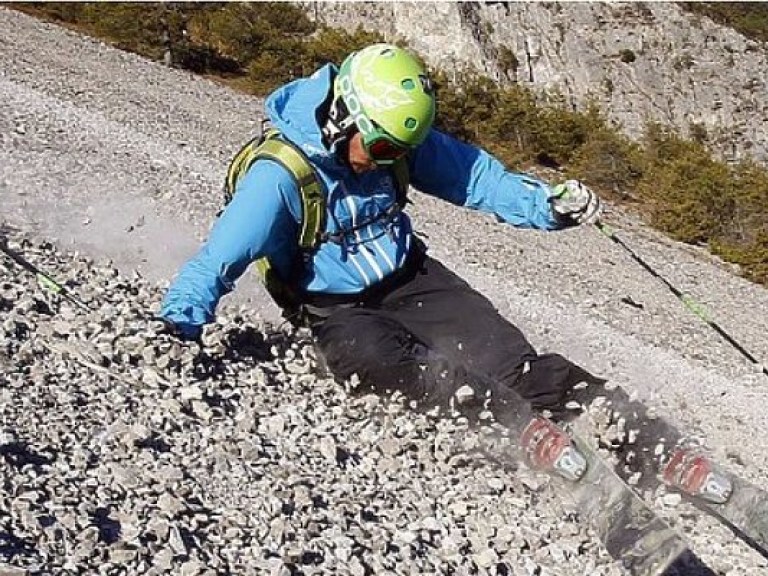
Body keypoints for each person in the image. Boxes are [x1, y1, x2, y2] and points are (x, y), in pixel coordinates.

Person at [159, 43, 603, 425]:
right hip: (339, 312)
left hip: (415, 279)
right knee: (375, 362)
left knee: (512, 364)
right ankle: (504, 420)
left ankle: (618, 419)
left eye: (401, 151)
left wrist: (548, 206)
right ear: (341, 117)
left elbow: (477, 179)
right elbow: (218, 260)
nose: (388, 160)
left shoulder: (388, 140)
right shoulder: (278, 176)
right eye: (384, 148)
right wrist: (177, 325)